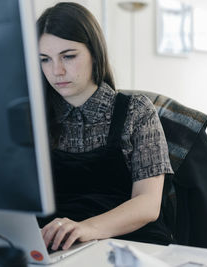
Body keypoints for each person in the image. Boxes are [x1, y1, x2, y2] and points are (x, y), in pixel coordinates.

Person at [36, 2, 175, 251]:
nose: (56, 70)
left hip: (129, 243)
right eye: (45, 59)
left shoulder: (137, 110)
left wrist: (86, 228)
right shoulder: (33, 116)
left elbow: (148, 203)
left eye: (68, 56)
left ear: (94, 53)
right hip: (55, 245)